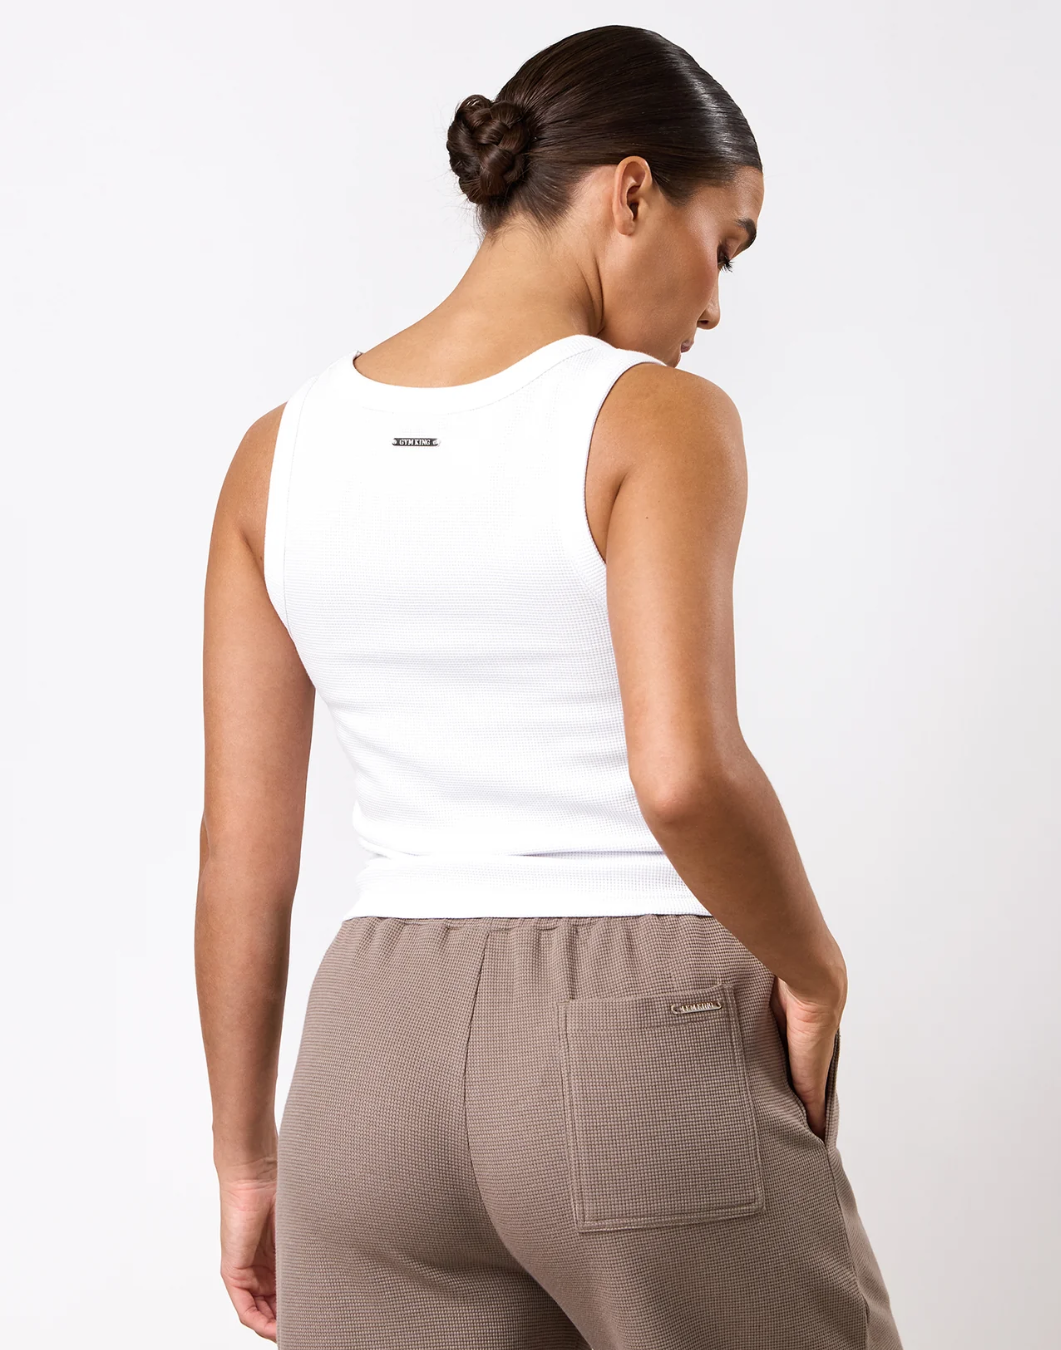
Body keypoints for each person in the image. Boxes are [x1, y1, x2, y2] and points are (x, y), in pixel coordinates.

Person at [196, 23, 904, 1350]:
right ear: (632, 192)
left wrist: (248, 1162)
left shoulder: (274, 453)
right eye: (725, 245)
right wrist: (814, 974)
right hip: (637, 1033)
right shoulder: (652, 415)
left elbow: (241, 853)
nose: (712, 306)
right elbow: (681, 774)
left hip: (367, 1064)